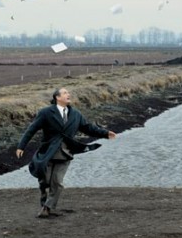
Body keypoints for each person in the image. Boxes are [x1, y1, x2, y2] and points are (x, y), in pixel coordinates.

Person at [16, 87, 117, 218]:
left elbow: (88, 128)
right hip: (47, 152)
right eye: (65, 93)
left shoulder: (76, 114)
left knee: (57, 182)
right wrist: (21, 146)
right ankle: (44, 204)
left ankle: (47, 208)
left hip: (66, 152)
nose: (68, 94)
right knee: (44, 181)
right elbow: (32, 129)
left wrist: (105, 133)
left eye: (68, 93)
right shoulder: (46, 112)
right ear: (57, 97)